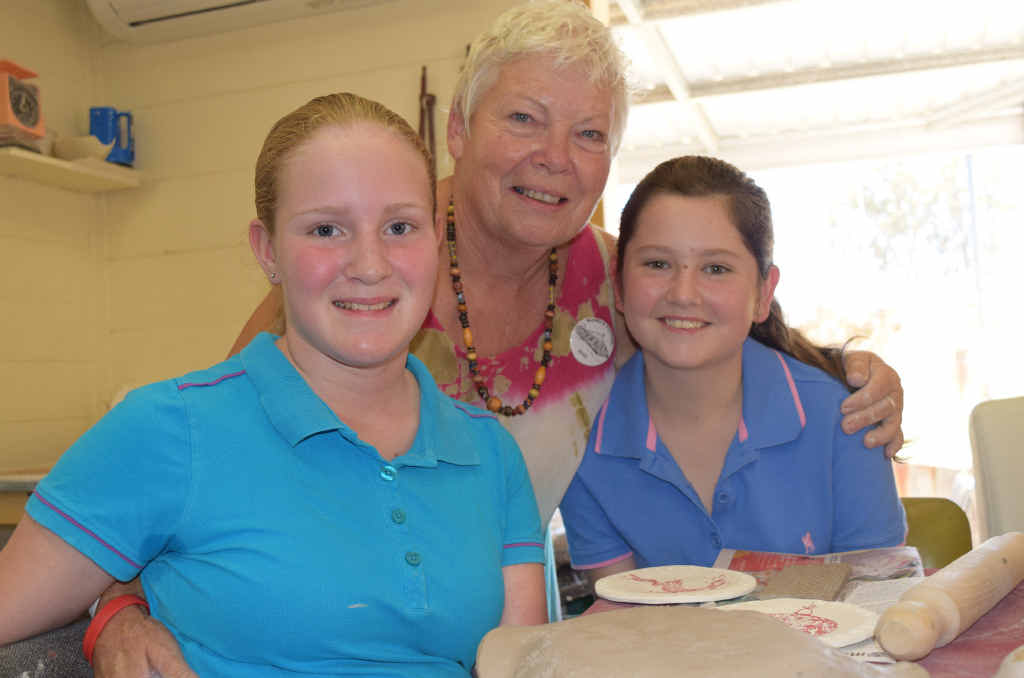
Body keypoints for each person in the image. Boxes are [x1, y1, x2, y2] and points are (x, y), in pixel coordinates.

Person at [88, 1, 906, 675]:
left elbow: (716, 320)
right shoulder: (363, 280)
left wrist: (855, 371)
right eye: (523, 119)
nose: (555, 158)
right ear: (458, 130)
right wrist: (116, 607)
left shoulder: (615, 285)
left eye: (589, 134)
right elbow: (194, 464)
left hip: (505, 644)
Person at [0, 92, 547, 677]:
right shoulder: (170, 429)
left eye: (399, 226)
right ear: (268, 252)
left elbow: (522, 664)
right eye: (327, 229)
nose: (370, 265)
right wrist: (113, 608)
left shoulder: (490, 451)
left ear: (436, 237)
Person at [559, 156, 907, 580]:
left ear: (763, 293)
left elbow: (876, 599)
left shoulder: (847, 418)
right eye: (657, 264)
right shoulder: (581, 440)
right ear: (619, 283)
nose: (683, 293)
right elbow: (619, 611)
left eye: (716, 269)